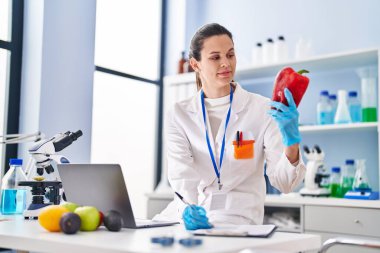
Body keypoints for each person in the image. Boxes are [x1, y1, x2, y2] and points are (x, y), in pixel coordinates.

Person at [156, 23, 305, 230]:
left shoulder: (262, 109)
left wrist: (292, 143)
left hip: (238, 218)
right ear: (195, 64)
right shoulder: (179, 114)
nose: (226, 63)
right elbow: (182, 176)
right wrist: (188, 209)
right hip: (190, 213)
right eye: (215, 57)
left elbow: (284, 183)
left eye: (230, 55)